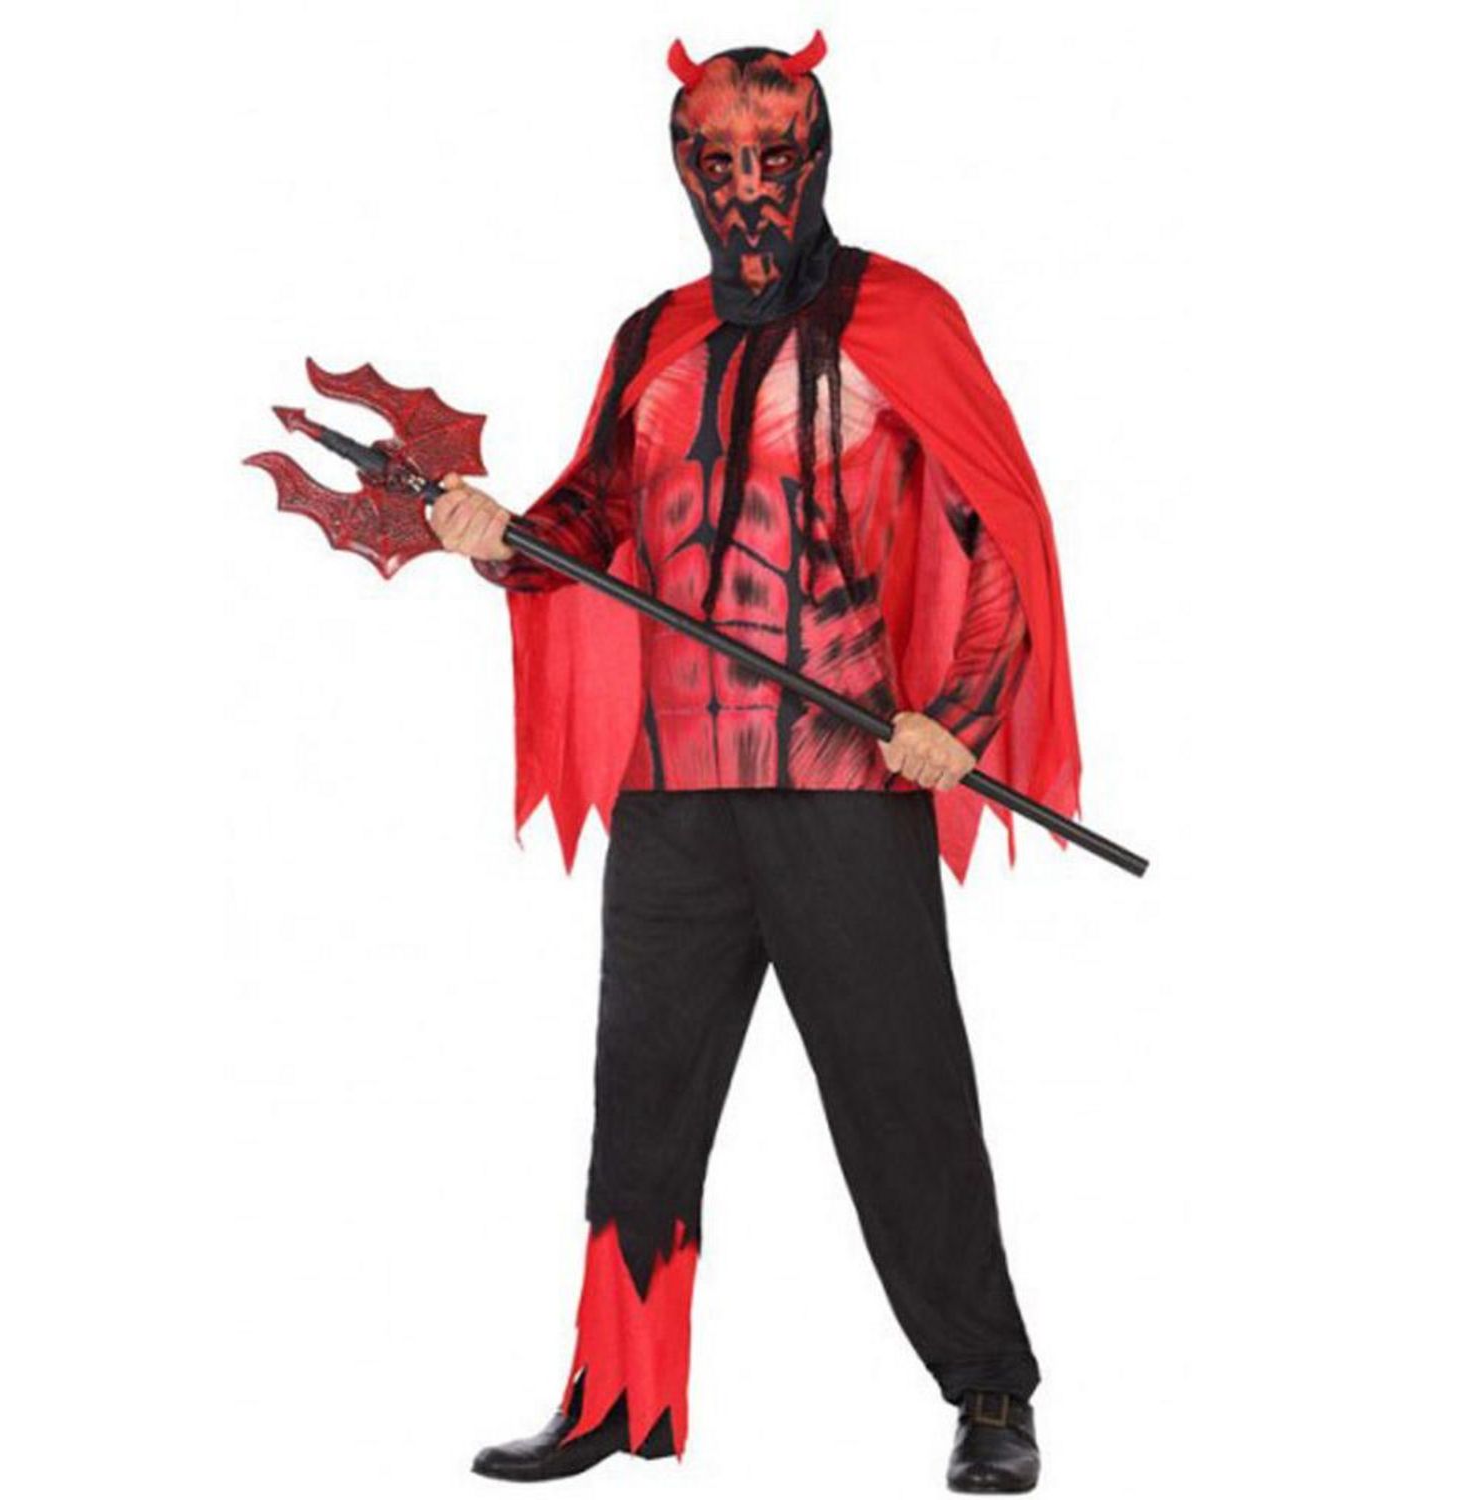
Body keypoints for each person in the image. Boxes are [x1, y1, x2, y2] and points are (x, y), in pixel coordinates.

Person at [432, 32, 1081, 1493]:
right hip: (673, 790)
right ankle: (616, 1392)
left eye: (773, 156)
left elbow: (996, 537)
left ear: (819, 154)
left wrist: (959, 718)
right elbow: (586, 525)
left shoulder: (904, 318)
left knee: (903, 1094)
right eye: (715, 160)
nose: (745, 188)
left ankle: (990, 1391)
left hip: (849, 779)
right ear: (681, 168)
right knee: (641, 1102)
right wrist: (492, 536)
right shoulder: (651, 338)